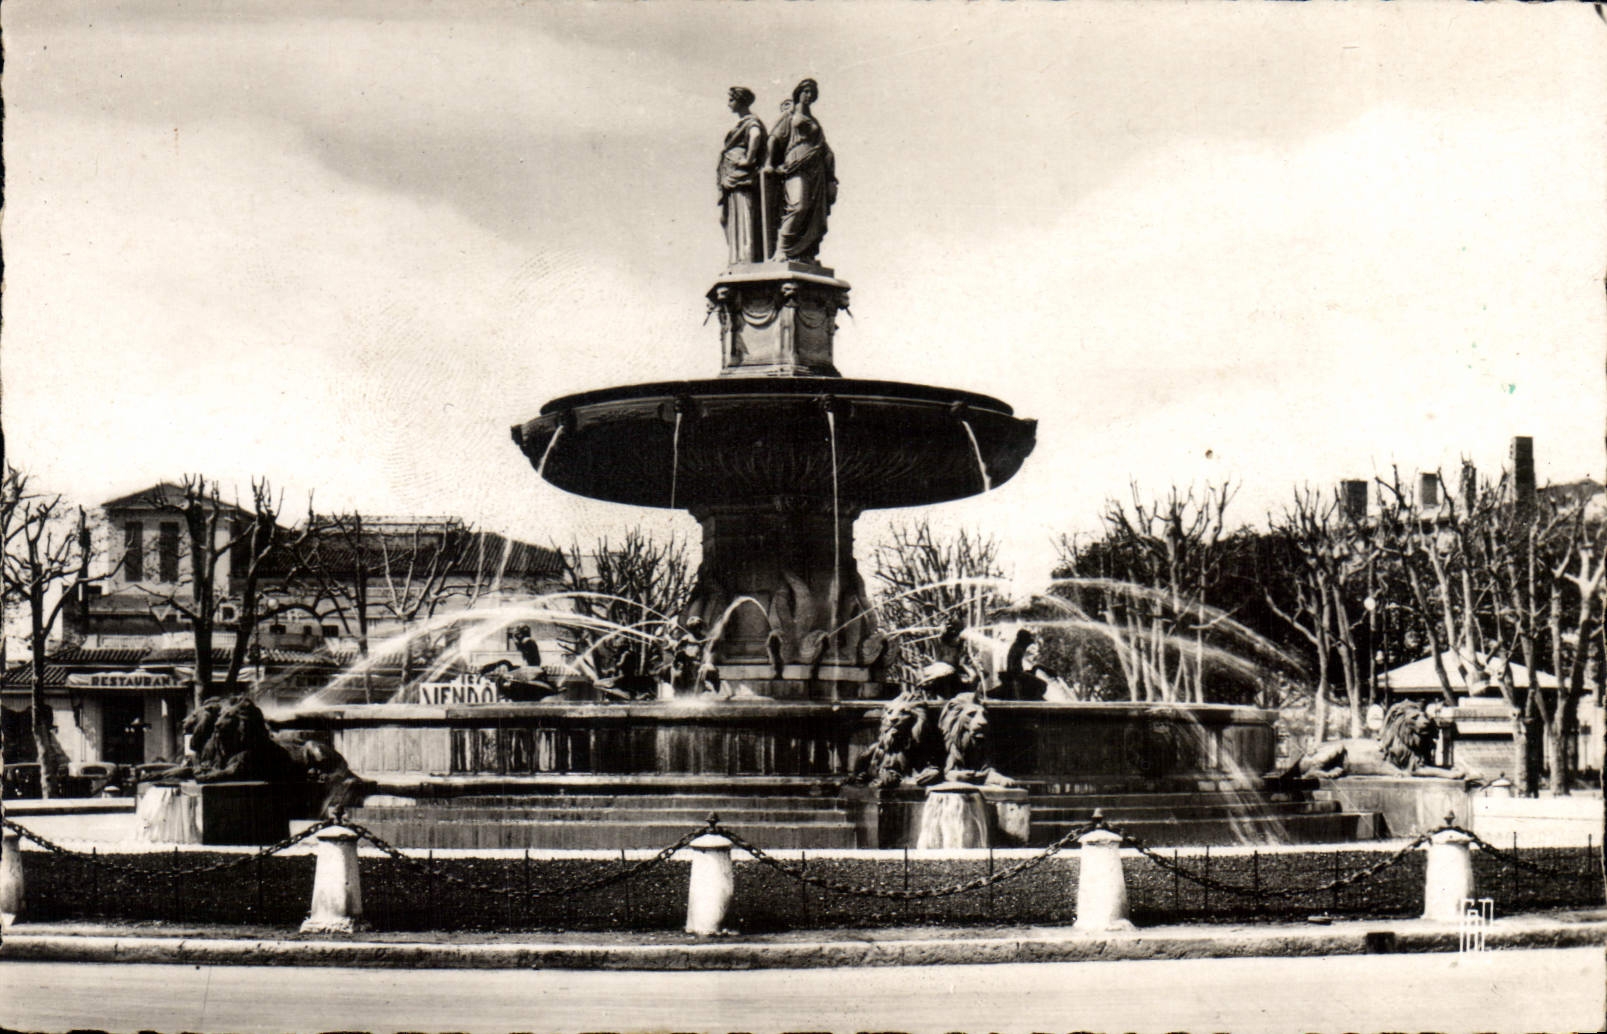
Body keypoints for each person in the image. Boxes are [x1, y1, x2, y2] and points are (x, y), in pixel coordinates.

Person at [766, 78, 836, 264]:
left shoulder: (815, 121)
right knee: (798, 206)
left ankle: (804, 254)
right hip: (795, 165)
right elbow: (773, 138)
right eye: (806, 91)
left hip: (816, 169)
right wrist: (770, 163)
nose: (809, 95)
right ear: (798, 93)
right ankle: (782, 250)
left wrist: (831, 179)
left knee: (814, 215)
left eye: (812, 93)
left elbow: (826, 150)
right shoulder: (789, 116)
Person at [718, 87, 767, 266]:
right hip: (731, 177)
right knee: (728, 217)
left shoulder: (750, 121)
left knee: (743, 213)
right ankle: (738, 256)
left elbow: (756, 136)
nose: (728, 103)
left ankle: (744, 257)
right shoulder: (741, 123)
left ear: (740, 101)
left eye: (731, 99)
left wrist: (748, 159)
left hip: (741, 177)